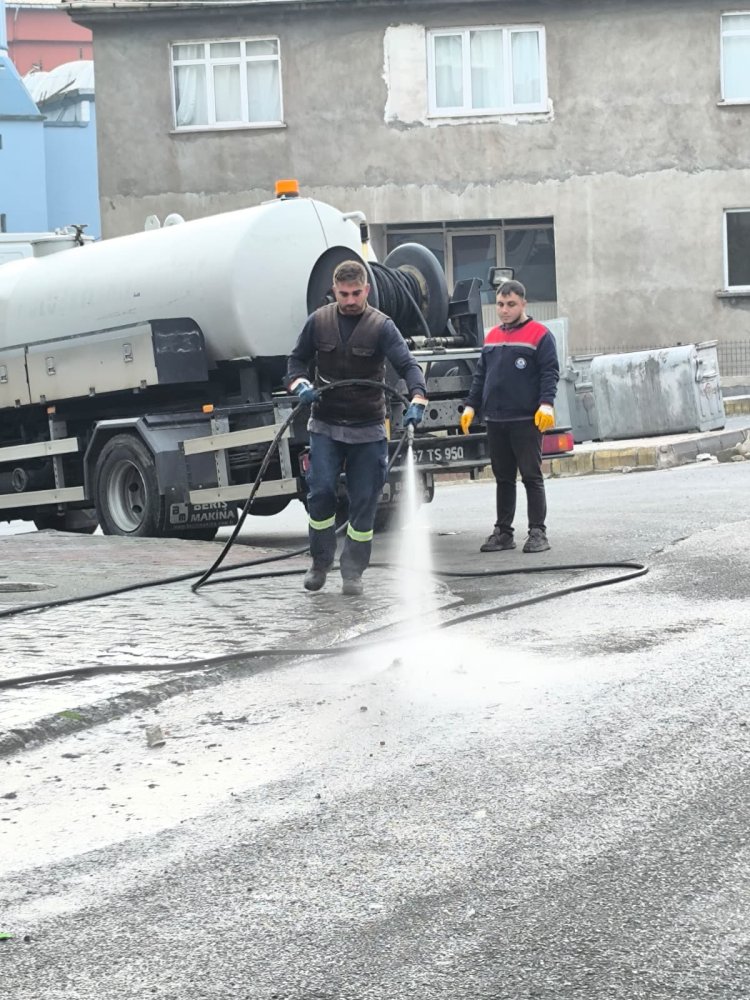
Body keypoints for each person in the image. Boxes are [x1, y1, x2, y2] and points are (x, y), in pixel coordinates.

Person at [286, 259, 428, 596]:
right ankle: (320, 563)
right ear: (334, 291)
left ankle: (353, 573)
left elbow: (408, 365)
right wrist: (300, 385)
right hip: (326, 424)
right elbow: (295, 362)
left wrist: (418, 397)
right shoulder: (318, 322)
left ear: (366, 290)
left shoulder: (381, 326)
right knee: (321, 494)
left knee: (365, 501)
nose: (350, 300)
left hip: (368, 428)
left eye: (356, 294)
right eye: (343, 294)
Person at [460, 279, 559, 554]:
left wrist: (546, 404)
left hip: (526, 419)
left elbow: (549, 372)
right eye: (501, 304)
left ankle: (538, 532)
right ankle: (503, 532)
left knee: (531, 476)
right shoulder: (492, 337)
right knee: (503, 478)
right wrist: (471, 406)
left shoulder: (540, 335)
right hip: (496, 419)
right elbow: (481, 375)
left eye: (511, 304)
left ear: (523, 304)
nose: (504, 310)